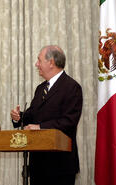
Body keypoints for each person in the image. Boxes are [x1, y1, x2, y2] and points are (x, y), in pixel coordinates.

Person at [10, 45, 83, 185]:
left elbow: (69, 121)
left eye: (39, 60)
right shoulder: (40, 89)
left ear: (51, 62)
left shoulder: (71, 87)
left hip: (60, 165)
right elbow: (32, 116)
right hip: (38, 164)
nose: (36, 64)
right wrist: (19, 117)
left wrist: (40, 127)